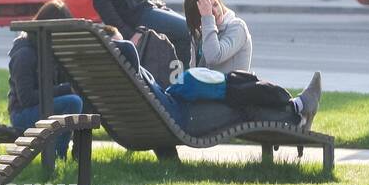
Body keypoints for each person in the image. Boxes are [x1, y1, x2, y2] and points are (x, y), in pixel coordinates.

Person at [110, 31, 322, 136]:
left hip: (176, 111)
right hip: (185, 117)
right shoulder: (130, 68)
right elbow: (128, 49)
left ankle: (297, 108)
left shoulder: (123, 82)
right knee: (238, 97)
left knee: (237, 89)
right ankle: (297, 110)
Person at [8, 0, 84, 158]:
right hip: (22, 114)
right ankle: (58, 154)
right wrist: (65, 89)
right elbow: (26, 99)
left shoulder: (52, 50)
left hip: (44, 107)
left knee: (80, 96)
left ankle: (77, 154)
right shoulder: (25, 54)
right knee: (73, 101)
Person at [183, 0, 252, 73]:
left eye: (215, 4)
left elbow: (213, 57)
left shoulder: (237, 26)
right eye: (208, 10)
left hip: (231, 86)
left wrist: (207, 17)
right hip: (206, 85)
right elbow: (194, 69)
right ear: (197, 18)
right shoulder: (202, 30)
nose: (215, 12)